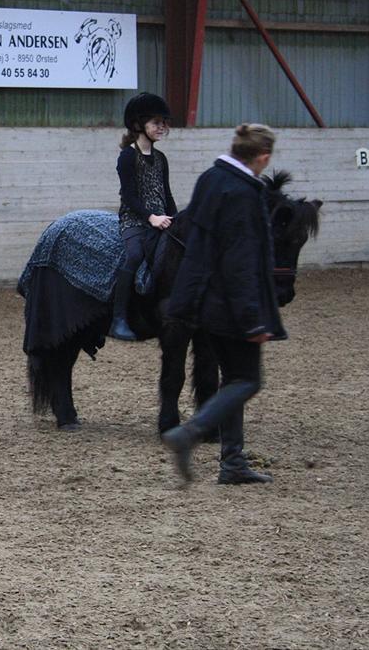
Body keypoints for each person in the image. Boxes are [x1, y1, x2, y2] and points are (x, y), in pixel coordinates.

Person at [161, 123, 283, 486]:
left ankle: (232, 462)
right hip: (230, 306)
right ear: (262, 158)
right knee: (247, 380)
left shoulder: (210, 178)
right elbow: (241, 262)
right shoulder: (244, 194)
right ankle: (190, 433)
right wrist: (253, 319)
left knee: (232, 379)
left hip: (201, 302)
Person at [110, 92, 178, 341]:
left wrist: (176, 219)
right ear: (139, 124)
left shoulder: (161, 158)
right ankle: (118, 319)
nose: (161, 127)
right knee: (135, 255)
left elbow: (167, 194)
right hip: (135, 220)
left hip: (161, 218)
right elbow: (128, 196)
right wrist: (150, 217)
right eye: (156, 122)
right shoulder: (128, 156)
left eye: (163, 122)